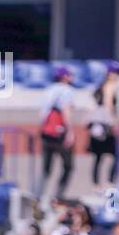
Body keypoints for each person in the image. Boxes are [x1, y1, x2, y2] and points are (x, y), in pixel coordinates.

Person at [37, 66, 74, 204]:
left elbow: (42, 114)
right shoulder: (66, 90)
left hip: (46, 133)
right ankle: (58, 196)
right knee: (68, 166)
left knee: (46, 169)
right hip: (59, 133)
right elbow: (66, 111)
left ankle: (38, 195)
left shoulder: (47, 91)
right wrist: (70, 132)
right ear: (64, 77)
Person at [88, 65, 119, 192]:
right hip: (105, 125)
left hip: (97, 126)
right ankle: (109, 182)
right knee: (115, 155)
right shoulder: (109, 86)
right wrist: (113, 123)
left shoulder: (100, 87)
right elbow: (108, 105)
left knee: (98, 156)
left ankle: (96, 185)